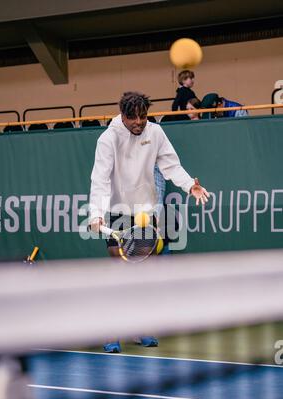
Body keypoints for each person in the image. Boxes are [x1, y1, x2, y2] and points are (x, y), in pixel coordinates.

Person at [89, 91, 210, 353]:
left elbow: (171, 166)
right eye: (133, 118)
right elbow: (100, 178)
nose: (138, 122)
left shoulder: (155, 133)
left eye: (142, 117)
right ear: (122, 115)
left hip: (145, 213)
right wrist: (96, 213)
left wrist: (190, 186)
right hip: (118, 212)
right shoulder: (107, 139)